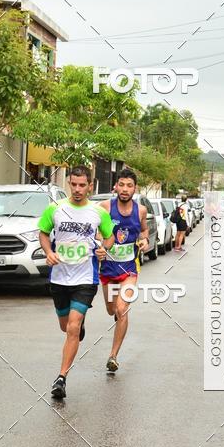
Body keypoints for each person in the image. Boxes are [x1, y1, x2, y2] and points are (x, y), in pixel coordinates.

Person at [38, 165, 115, 399]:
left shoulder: (98, 212)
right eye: (74, 184)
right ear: (69, 184)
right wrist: (48, 251)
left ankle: (61, 378)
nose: (78, 189)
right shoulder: (55, 209)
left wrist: (103, 248)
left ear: (90, 186)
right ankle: (77, 327)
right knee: (66, 327)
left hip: (85, 278)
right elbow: (42, 232)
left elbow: (109, 237)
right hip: (60, 277)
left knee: (72, 327)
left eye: (83, 185)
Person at [99, 168, 149, 373]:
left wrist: (144, 239)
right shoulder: (104, 207)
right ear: (116, 186)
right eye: (122, 185)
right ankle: (117, 315)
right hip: (108, 270)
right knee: (111, 309)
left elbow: (144, 229)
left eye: (129, 185)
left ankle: (113, 356)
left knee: (122, 309)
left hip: (129, 269)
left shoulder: (141, 211)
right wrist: (99, 246)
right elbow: (94, 231)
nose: (125, 189)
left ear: (135, 189)